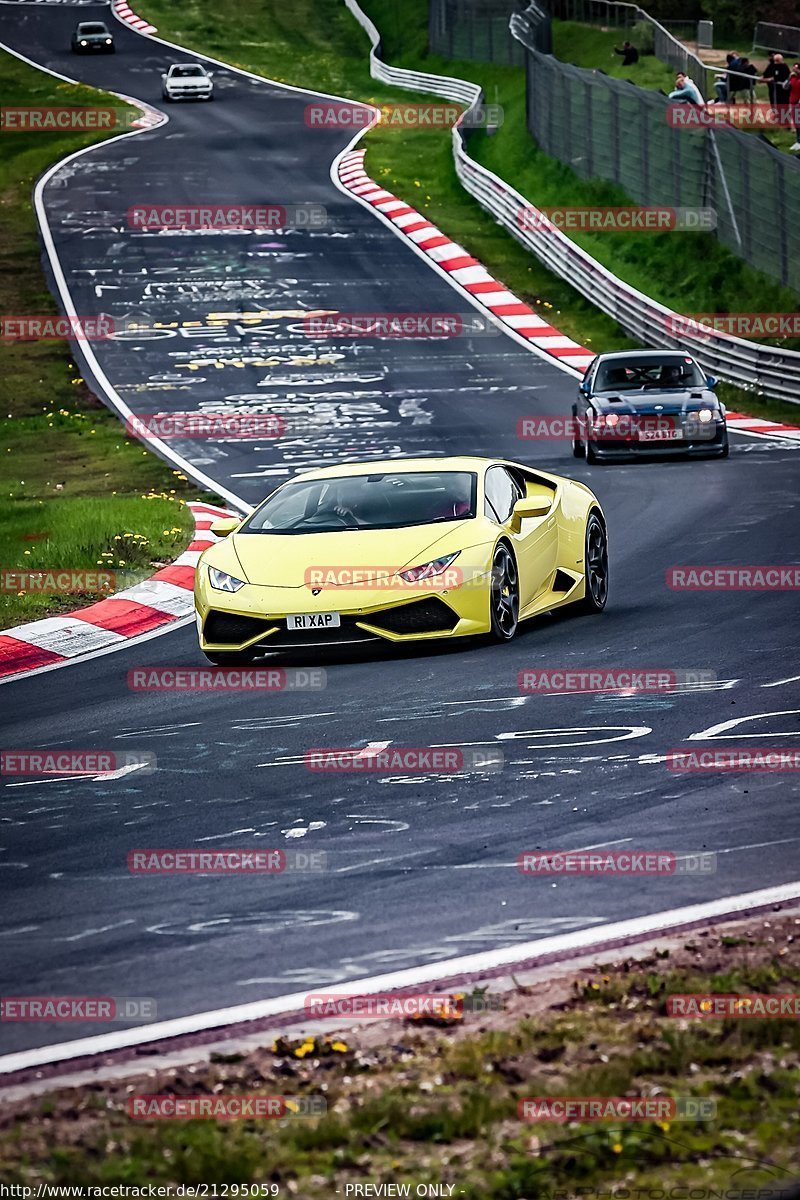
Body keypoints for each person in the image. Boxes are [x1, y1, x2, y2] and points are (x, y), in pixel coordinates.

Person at [786, 61, 800, 150]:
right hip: (793, 102)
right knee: (796, 122)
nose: (795, 70)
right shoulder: (792, 77)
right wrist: (789, 78)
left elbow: (796, 85)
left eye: (797, 69)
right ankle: (798, 141)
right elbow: (785, 86)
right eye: (794, 68)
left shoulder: (796, 79)